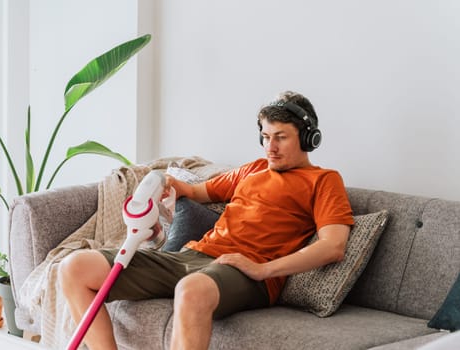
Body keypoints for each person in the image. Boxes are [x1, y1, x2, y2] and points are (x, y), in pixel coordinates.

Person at [58, 91, 355, 350]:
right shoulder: (252, 170)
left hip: (244, 271)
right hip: (191, 256)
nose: (270, 148)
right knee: (74, 267)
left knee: (191, 289)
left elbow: (333, 246)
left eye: (281, 138)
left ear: (307, 138)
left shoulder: (323, 181)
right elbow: (193, 190)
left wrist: (264, 270)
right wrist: (160, 183)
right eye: (265, 137)